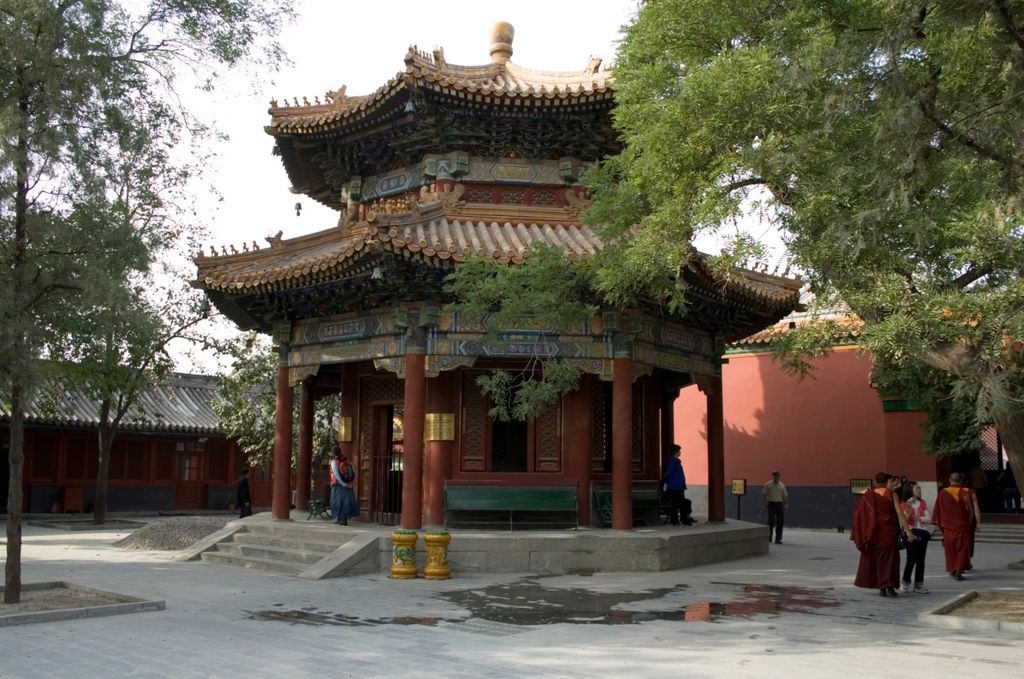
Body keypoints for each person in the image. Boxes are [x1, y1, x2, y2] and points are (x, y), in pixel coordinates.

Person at [852, 472, 912, 597]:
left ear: (875, 482)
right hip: (889, 532)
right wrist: (908, 531)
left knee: (878, 560)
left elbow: (859, 515)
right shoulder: (891, 494)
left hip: (874, 533)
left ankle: (882, 588)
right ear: (886, 482)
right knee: (890, 560)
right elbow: (899, 513)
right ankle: (889, 586)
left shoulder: (868, 495)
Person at [932, 472, 974, 581]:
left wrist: (938, 523)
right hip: (962, 526)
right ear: (960, 481)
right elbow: (970, 510)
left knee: (950, 549)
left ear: (949, 480)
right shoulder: (964, 492)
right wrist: (968, 522)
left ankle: (952, 569)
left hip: (948, 527)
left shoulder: (943, 492)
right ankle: (959, 570)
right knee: (962, 549)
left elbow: (938, 509)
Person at [899, 481, 930, 594]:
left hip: (922, 532)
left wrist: (920, 518)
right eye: (917, 488)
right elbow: (903, 520)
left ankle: (919, 585)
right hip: (910, 532)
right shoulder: (903, 504)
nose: (919, 490)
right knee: (911, 558)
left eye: (919, 488)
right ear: (910, 490)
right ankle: (905, 582)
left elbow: (928, 518)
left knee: (921, 560)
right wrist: (908, 507)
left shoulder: (922, 503)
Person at [662, 444, 693, 526]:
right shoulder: (673, 462)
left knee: (680, 503)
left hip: (679, 486)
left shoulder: (677, 462)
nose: (680, 452)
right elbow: (669, 474)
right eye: (679, 451)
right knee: (676, 504)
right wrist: (666, 482)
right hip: (675, 487)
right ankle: (677, 520)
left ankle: (681, 519)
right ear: (675, 452)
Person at [329, 447, 360, 525]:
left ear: (333, 453)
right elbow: (354, 471)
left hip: (338, 485)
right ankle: (344, 519)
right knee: (346, 503)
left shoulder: (334, 462)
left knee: (336, 502)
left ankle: (339, 519)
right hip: (347, 485)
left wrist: (344, 484)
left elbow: (336, 475)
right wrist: (350, 483)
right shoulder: (347, 460)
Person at [762, 470, 788, 544]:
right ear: (773, 476)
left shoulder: (782, 485)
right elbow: (764, 494)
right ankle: (769, 537)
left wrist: (786, 504)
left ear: (779, 476)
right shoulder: (768, 484)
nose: (776, 476)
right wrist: (765, 503)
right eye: (774, 475)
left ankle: (778, 539)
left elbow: (785, 495)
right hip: (771, 504)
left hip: (779, 504)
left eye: (777, 475)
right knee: (771, 521)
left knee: (780, 522)